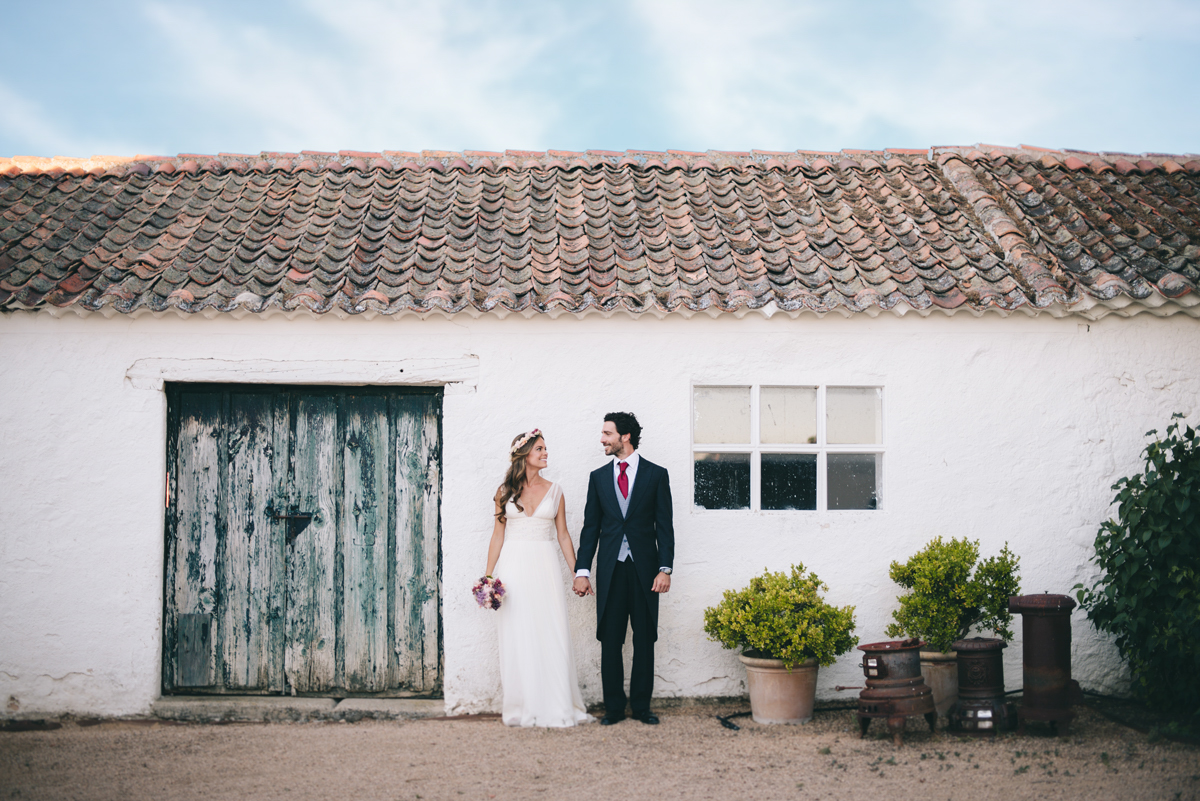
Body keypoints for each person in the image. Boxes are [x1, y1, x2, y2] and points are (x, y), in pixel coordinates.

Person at [484, 429, 592, 727]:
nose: (546, 453)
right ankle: (521, 705)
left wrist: (578, 573)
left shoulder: (556, 490)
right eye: (540, 449)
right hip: (513, 567)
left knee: (550, 631)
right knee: (517, 635)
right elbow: (497, 536)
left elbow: (563, 535)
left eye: (546, 449)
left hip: (544, 567)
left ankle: (555, 703)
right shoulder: (503, 491)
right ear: (524, 455)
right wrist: (489, 577)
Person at [573, 412, 674, 725]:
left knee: (645, 639)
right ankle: (614, 708)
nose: (602, 439)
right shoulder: (598, 478)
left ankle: (642, 708)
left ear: (625, 436)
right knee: (610, 639)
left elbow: (665, 526)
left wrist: (665, 568)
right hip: (611, 569)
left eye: (607, 433)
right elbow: (591, 528)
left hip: (646, 572)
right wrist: (582, 570)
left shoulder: (657, 475)